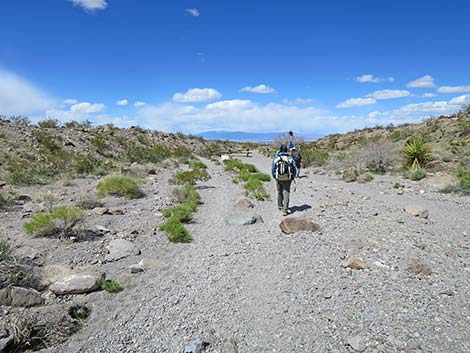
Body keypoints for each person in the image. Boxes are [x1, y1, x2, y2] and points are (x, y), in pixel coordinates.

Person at [272, 144, 297, 216]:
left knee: (279, 192)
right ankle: (285, 210)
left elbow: (273, 168)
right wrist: (293, 176)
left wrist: (274, 176)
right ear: (286, 150)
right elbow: (294, 168)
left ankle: (280, 206)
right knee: (286, 192)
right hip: (287, 178)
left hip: (278, 178)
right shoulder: (290, 158)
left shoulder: (277, 158)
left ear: (280, 150)